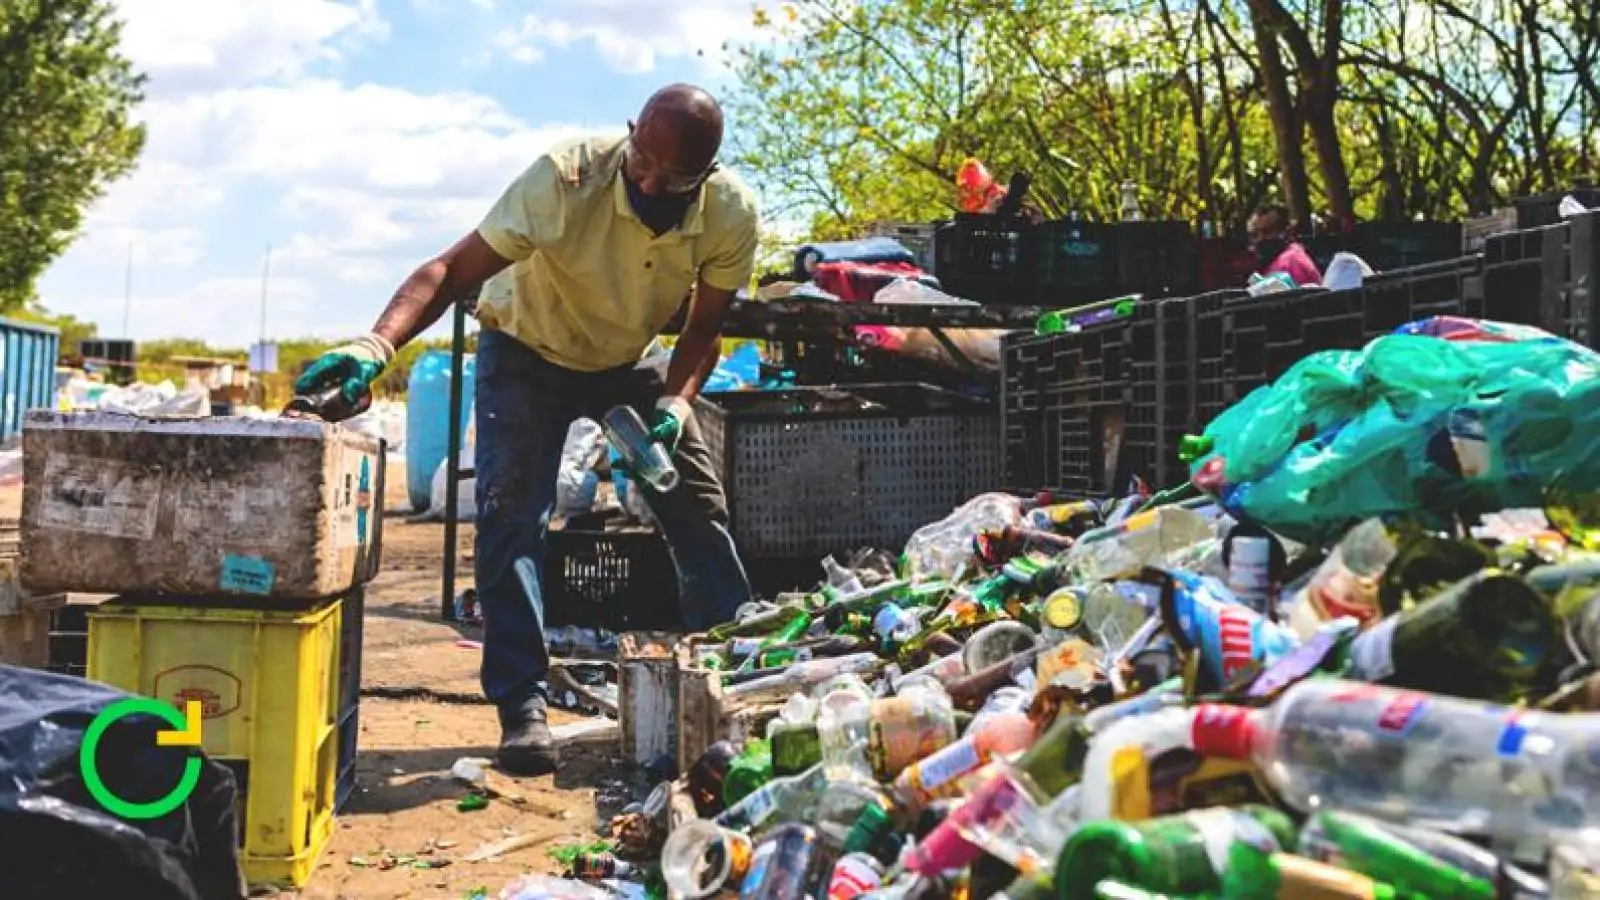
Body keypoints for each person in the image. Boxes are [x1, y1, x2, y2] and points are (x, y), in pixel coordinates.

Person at [294, 84, 759, 775]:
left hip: (626, 358)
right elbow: (449, 270)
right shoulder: (565, 177)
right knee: (512, 519)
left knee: (696, 505)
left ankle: (737, 675)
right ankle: (522, 708)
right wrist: (375, 346)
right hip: (525, 350)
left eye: (673, 179)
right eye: (642, 162)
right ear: (629, 135)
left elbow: (703, 330)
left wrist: (677, 406)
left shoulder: (730, 213)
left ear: (707, 176)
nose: (650, 182)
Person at [1247, 204, 1322, 286]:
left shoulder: (1290, 262)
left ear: (1287, 232)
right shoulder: (1274, 260)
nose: (1260, 239)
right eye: (1255, 234)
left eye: (1268, 232)